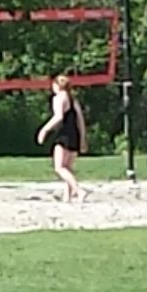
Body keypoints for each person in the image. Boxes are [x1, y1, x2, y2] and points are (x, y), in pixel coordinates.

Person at [36, 73, 88, 202]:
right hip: (74, 134)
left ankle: (78, 190)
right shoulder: (73, 99)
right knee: (68, 168)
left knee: (59, 167)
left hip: (64, 134)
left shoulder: (59, 98)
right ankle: (67, 196)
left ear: (57, 85)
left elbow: (58, 116)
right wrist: (82, 138)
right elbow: (80, 121)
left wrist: (44, 130)